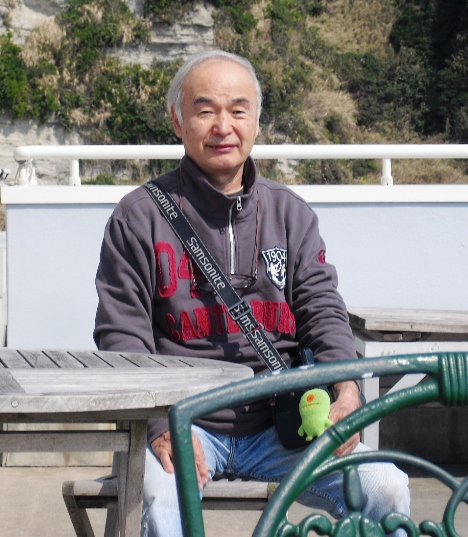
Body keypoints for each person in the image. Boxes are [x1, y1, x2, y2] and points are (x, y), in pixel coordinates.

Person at [94, 49, 410, 537]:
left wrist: (347, 389)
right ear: (178, 121)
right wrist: (159, 427)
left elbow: (323, 310)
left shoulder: (291, 213)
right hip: (182, 423)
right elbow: (122, 336)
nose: (223, 126)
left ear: (257, 122)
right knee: (158, 499)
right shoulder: (138, 217)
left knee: (385, 487)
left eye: (238, 110)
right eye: (205, 110)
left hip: (282, 427)